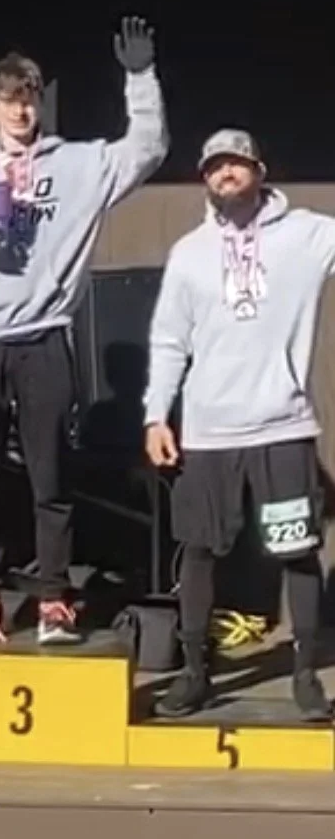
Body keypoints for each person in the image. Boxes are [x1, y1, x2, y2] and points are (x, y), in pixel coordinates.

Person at [0, 19, 167, 644]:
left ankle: (56, 596)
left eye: (29, 98)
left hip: (46, 335)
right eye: (9, 98)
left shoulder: (79, 164)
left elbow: (147, 148)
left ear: (40, 102)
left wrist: (140, 78)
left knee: (50, 472)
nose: (20, 109)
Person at [145, 130, 334, 722]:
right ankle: (197, 672)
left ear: (260, 169)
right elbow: (169, 340)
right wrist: (156, 414)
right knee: (199, 550)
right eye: (214, 167)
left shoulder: (308, 234)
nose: (225, 174)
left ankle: (305, 674)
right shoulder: (188, 254)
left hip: (283, 428)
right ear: (205, 180)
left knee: (297, 550)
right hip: (208, 433)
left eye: (236, 163)